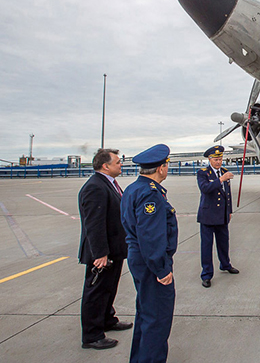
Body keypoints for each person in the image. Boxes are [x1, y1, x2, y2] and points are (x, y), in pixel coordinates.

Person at [121, 144, 178, 363]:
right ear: (160, 168)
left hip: (139, 257)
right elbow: (151, 236)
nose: (167, 169)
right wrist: (161, 269)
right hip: (151, 262)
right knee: (157, 319)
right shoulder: (150, 195)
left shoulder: (133, 189)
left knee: (146, 314)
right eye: (166, 165)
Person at [78, 148, 132, 350]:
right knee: (96, 292)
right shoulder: (95, 187)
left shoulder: (108, 184)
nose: (121, 164)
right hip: (102, 252)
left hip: (114, 248)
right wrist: (100, 254)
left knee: (109, 287)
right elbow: (94, 224)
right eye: (117, 162)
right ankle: (92, 335)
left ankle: (107, 319)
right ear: (105, 165)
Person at [197, 145, 239, 288]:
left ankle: (225, 264)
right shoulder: (203, 173)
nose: (218, 162)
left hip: (222, 215)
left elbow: (227, 194)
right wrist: (220, 179)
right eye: (215, 159)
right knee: (207, 246)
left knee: (224, 242)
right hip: (208, 216)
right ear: (209, 160)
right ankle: (206, 274)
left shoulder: (225, 171)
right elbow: (205, 189)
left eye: (220, 159)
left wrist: (229, 211)